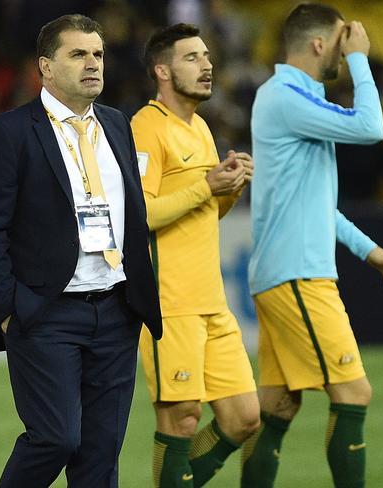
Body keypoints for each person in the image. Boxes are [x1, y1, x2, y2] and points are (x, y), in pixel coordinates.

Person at [0, 13, 162, 488]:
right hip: (46, 313)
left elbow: (132, 217)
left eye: (97, 54)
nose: (93, 63)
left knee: (100, 454)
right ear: (45, 67)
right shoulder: (8, 132)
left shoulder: (116, 124)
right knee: (55, 438)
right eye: (78, 54)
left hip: (115, 310)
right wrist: (8, 309)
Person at [243, 4, 383, 488]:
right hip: (297, 276)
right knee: (353, 393)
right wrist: (361, 61)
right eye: (340, 41)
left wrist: (371, 250)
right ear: (318, 45)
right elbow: (371, 127)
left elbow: (318, 205)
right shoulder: (285, 96)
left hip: (285, 273)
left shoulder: (296, 100)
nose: (346, 47)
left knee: (278, 407)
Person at [131, 23, 259, 488]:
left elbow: (205, 211)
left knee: (245, 418)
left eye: (207, 56)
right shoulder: (146, 128)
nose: (206, 65)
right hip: (170, 303)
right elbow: (139, 215)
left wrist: (230, 187)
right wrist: (207, 185)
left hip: (211, 301)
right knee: (182, 419)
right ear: (162, 70)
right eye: (192, 58)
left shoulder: (201, 127)